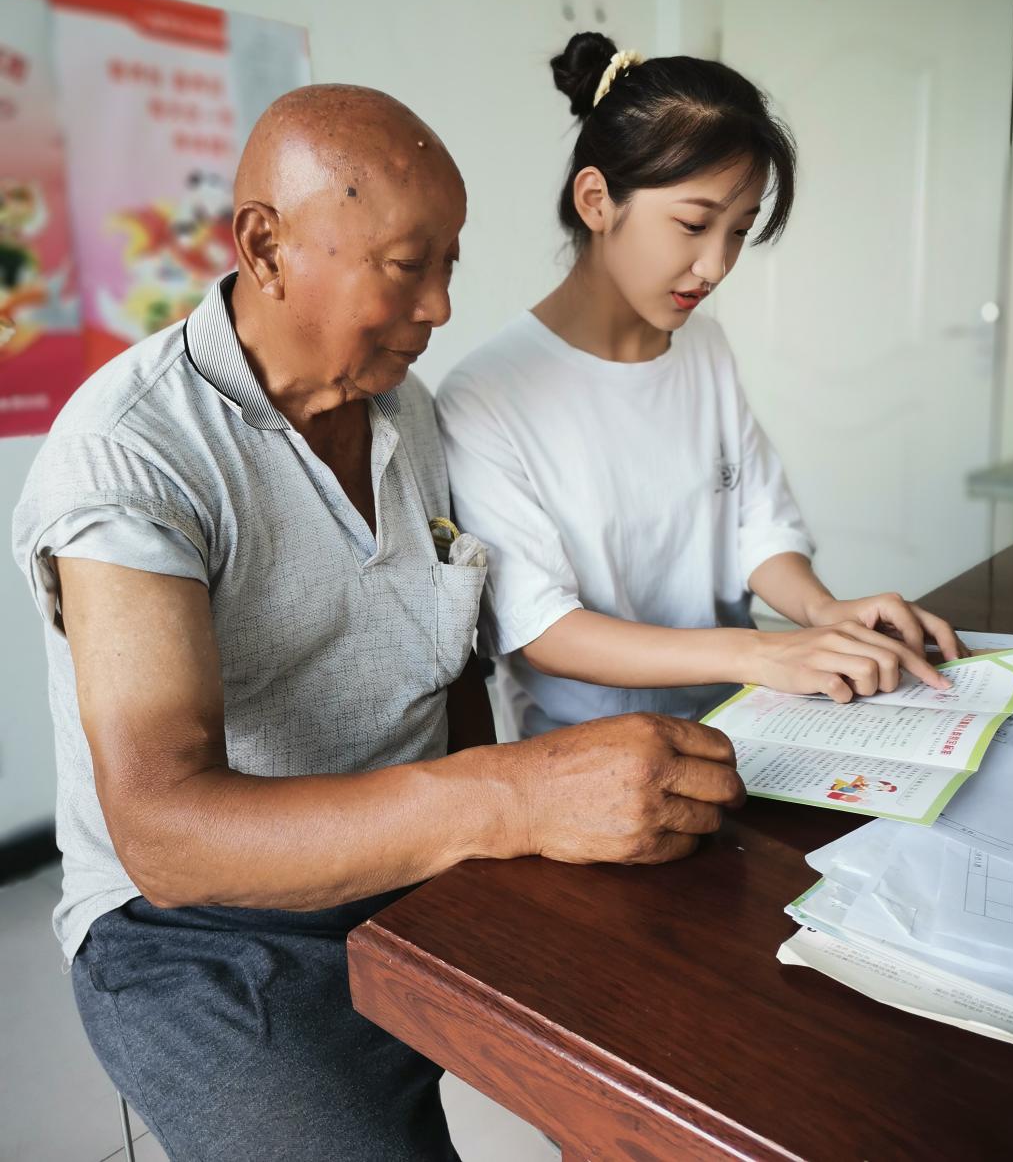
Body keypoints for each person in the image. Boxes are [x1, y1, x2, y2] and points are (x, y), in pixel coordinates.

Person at [12, 83, 745, 1162]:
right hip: (203, 932)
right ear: (265, 247)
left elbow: (452, 670)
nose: (440, 306)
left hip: (426, 859)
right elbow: (166, 835)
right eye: (407, 266)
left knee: (679, 1036)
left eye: (450, 263)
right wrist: (510, 798)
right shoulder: (132, 455)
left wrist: (508, 845)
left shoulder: (404, 408)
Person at [436, 34, 961, 741]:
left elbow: (758, 524)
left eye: (739, 231)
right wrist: (764, 653)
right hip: (591, 757)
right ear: (596, 200)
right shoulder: (486, 395)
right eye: (694, 224)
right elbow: (544, 629)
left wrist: (821, 612)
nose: (715, 265)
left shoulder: (704, 348)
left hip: (743, 722)